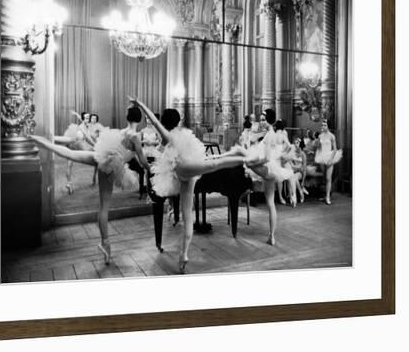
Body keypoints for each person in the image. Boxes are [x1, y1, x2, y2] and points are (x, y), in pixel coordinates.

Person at [130, 97, 266, 273]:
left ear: (165, 122)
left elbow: (155, 122)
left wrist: (140, 104)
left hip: (183, 174)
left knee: (188, 217)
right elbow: (156, 122)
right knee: (214, 163)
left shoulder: (168, 137)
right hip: (185, 169)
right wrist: (140, 104)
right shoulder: (177, 135)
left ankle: (184, 254)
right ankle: (244, 157)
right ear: (178, 121)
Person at [31, 106, 150, 266]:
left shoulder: (122, 131)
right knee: (104, 207)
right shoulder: (135, 136)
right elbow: (142, 160)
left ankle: (40, 141)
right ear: (140, 120)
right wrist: (151, 170)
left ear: (127, 118)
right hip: (111, 165)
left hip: (102, 156)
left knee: (71, 154)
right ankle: (105, 244)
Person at [245, 109, 295, 245]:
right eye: (260, 119)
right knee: (271, 204)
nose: (260, 122)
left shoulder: (269, 136)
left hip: (268, 169)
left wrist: (252, 163)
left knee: (247, 163)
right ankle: (271, 236)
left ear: (268, 120)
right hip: (274, 170)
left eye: (262, 119)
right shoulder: (272, 134)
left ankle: (248, 180)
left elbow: (266, 158)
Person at [54, 111, 95, 194]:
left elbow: (81, 119)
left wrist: (77, 115)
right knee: (58, 140)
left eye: (89, 118)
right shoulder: (82, 127)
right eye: (86, 118)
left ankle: (69, 183)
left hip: (74, 146)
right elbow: (88, 138)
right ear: (84, 119)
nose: (88, 119)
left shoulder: (86, 125)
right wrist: (96, 145)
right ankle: (51, 138)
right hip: (74, 143)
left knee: (69, 165)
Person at [314, 119, 343, 205]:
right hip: (322, 157)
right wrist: (317, 144)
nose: (323, 126)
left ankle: (327, 197)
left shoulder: (332, 136)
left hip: (330, 157)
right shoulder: (320, 136)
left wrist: (330, 160)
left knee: (328, 178)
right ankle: (325, 195)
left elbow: (334, 149)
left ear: (328, 126)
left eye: (324, 125)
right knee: (324, 178)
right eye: (322, 125)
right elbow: (318, 147)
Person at [88, 114, 106, 185]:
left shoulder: (98, 125)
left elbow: (104, 131)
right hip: (89, 143)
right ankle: (95, 177)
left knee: (97, 162)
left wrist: (98, 136)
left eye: (95, 118)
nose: (94, 120)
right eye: (92, 118)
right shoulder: (88, 125)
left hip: (96, 144)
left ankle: (95, 176)